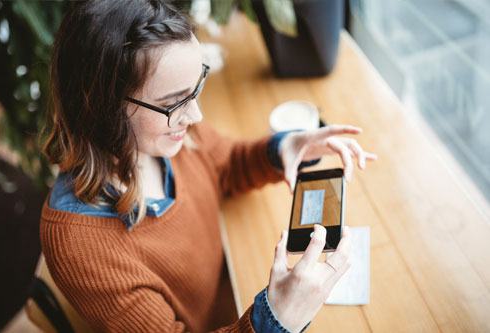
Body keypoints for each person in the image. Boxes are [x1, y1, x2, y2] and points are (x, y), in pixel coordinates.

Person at [39, 0, 377, 332]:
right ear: (102, 107)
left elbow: (226, 165)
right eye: (174, 102)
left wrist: (283, 148)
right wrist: (274, 320)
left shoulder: (165, 132)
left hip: (232, 284)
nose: (196, 115)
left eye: (196, 87)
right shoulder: (82, 247)